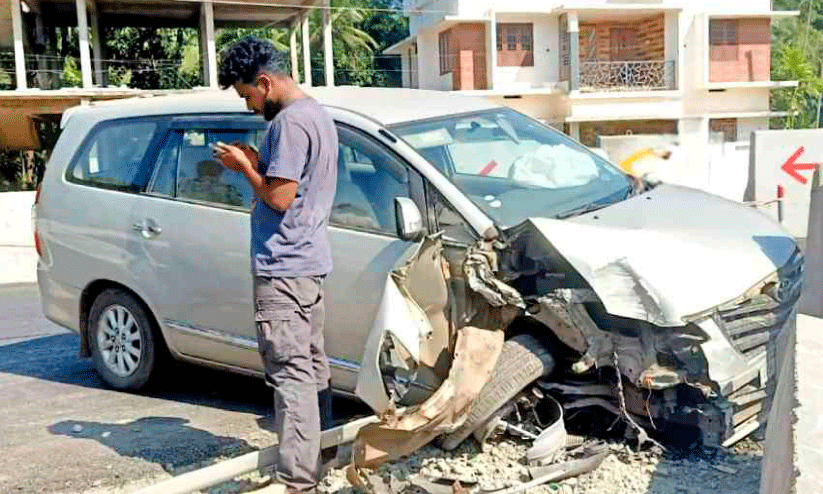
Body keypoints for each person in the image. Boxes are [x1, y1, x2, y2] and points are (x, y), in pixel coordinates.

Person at [213, 36, 338, 494]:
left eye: (248, 95)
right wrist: (255, 162)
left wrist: (243, 167)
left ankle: (297, 480)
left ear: (265, 82)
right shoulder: (317, 114)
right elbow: (295, 185)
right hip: (308, 262)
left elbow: (280, 197)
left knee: (290, 374)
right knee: (312, 366)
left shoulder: (289, 123)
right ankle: (320, 459)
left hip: (283, 267)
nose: (249, 106)